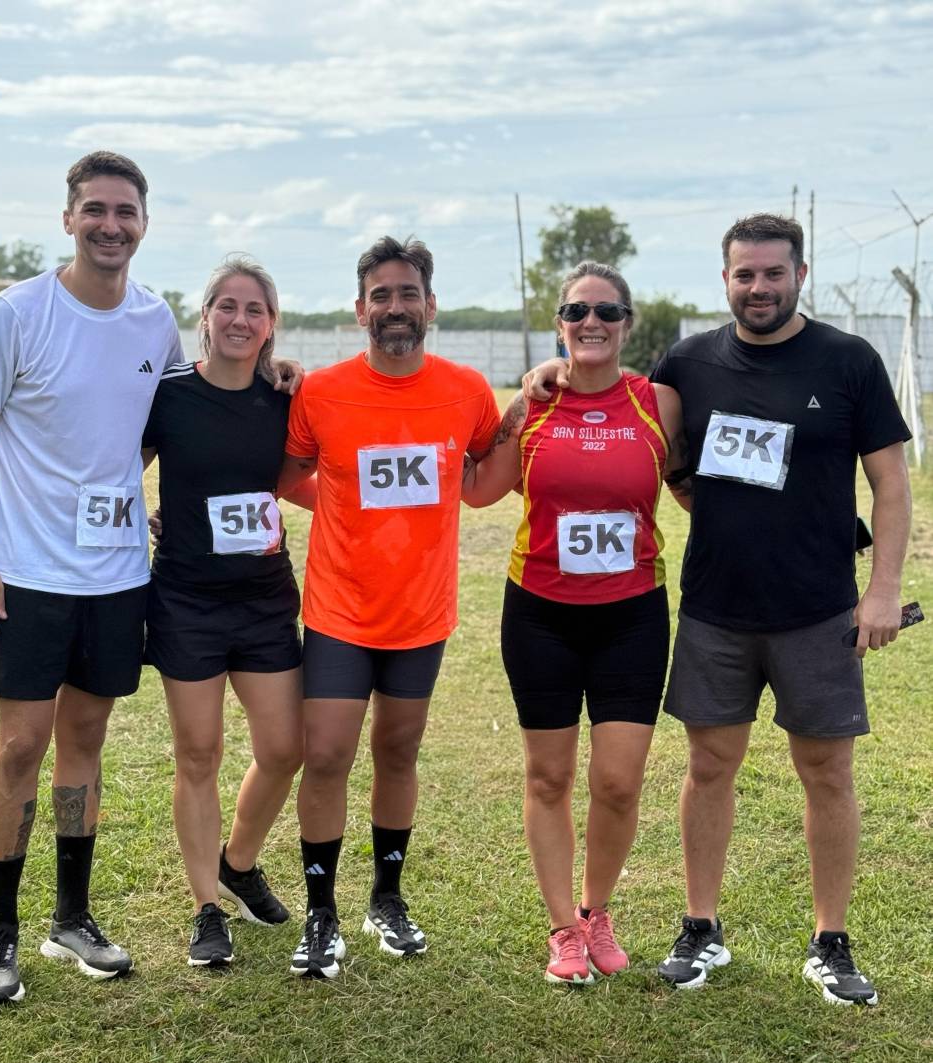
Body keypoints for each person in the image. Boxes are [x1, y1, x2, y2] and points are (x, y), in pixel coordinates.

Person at [526, 214, 912, 1006]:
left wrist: (880, 589)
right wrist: (553, 369)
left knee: (826, 771)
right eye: (744, 274)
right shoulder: (689, 362)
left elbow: (891, 484)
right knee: (707, 767)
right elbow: (640, 430)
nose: (758, 287)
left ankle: (830, 939)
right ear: (725, 279)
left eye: (772, 272)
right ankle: (700, 925)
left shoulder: (847, 361)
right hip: (714, 609)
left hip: (818, 608)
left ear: (799, 274)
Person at [0, 151, 179, 1002]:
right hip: (28, 574)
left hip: (115, 577)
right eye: (95, 209)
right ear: (69, 217)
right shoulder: (18, 312)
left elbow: (160, 428)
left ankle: (70, 918)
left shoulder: (156, 321)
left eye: (125, 211)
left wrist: (123, 485)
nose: (110, 225)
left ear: (143, 223)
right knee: (20, 744)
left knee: (86, 741)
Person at [275, 236, 500, 979]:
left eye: (407, 294)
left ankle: (387, 898)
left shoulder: (467, 390)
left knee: (398, 752)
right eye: (381, 295)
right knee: (327, 755)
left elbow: (481, 479)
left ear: (430, 305)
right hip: (339, 612)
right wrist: (338, 506)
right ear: (359, 309)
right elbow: (287, 474)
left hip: (421, 615)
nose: (394, 307)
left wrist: (535, 398)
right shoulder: (321, 392)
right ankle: (321, 912)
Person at [463, 262, 687, 985]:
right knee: (549, 775)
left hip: (631, 616)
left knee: (618, 781)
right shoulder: (532, 404)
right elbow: (478, 489)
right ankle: (563, 928)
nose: (592, 322)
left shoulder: (657, 403)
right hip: (540, 614)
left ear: (628, 323)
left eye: (607, 311)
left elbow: (695, 488)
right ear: (559, 323)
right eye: (577, 311)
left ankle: (596, 910)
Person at [142, 257, 315, 967]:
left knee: (285, 749)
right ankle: (205, 907)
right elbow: (108, 464)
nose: (240, 320)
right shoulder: (167, 394)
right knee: (198, 753)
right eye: (227, 306)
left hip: (264, 599)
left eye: (255, 309)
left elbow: (319, 470)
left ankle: (238, 863)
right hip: (186, 600)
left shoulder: (286, 399)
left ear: (271, 324)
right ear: (205, 315)